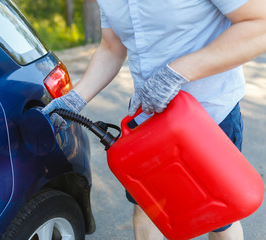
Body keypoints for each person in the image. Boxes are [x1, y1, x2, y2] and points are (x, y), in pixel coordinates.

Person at [42, 0, 266, 239]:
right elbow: (112, 47)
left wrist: (178, 71)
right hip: (150, 123)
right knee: (148, 211)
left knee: (219, 220)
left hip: (209, 117)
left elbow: (259, 24)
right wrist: (75, 99)